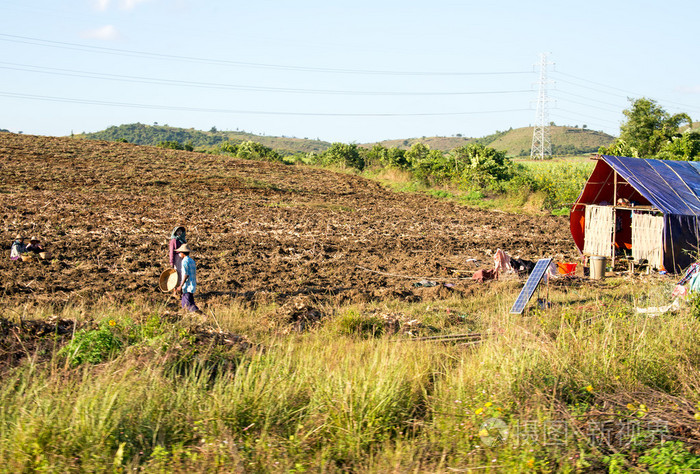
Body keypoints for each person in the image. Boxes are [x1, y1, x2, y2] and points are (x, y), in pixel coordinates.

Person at [175, 243, 201, 313]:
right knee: (187, 304)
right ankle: (189, 318)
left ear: (183, 253)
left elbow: (186, 274)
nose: (179, 254)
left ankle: (203, 315)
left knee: (187, 305)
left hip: (187, 286)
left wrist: (181, 286)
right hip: (192, 285)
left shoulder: (184, 261)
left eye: (180, 252)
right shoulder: (192, 261)